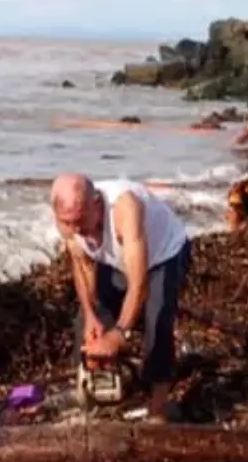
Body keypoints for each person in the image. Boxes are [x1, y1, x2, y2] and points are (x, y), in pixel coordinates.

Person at [50, 174, 192, 419]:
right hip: (115, 258)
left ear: (95, 204)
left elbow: (139, 285)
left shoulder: (125, 209)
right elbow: (82, 266)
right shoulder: (68, 218)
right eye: (67, 222)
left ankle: (158, 406)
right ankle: (87, 391)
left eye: (80, 220)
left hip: (164, 253)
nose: (74, 229)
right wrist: (91, 314)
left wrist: (119, 333)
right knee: (89, 321)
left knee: (156, 319)